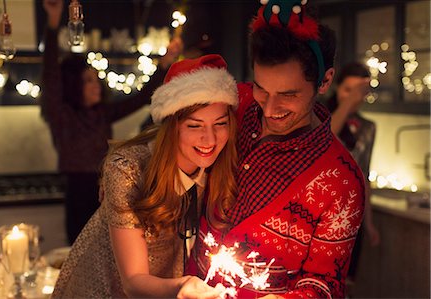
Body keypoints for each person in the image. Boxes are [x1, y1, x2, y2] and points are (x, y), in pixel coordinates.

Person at [184, 2, 365, 298]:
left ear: (325, 81)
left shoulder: (341, 182)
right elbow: (174, 138)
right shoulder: (235, 105)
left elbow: (325, 283)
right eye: (262, 89)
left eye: (288, 95)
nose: (269, 109)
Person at [51, 54, 238, 298]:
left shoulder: (220, 163)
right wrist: (182, 287)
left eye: (220, 124)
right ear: (171, 127)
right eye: (195, 125)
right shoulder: (127, 170)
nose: (210, 139)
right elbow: (133, 281)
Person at [40, 0, 183, 244]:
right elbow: (51, 74)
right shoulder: (61, 114)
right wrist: (53, 23)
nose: (96, 85)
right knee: (78, 246)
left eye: (96, 80)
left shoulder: (103, 112)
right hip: (78, 189)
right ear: (73, 86)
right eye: (88, 81)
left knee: (108, 248)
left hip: (105, 186)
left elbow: (141, 98)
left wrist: (165, 64)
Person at [325, 62, 380, 287]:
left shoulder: (368, 127)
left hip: (353, 214)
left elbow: (364, 175)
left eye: (359, 92)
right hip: (325, 208)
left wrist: (369, 223)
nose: (354, 97)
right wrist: (347, 103)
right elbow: (324, 139)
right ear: (336, 88)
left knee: (346, 282)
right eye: (348, 90)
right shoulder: (321, 117)